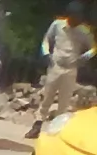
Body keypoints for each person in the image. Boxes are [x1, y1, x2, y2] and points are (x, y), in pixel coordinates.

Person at [28, 1, 94, 138]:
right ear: (69, 16)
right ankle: (37, 126)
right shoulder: (57, 25)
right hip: (55, 65)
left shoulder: (84, 31)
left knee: (64, 102)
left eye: (79, 17)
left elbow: (93, 48)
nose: (77, 19)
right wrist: (46, 54)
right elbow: (46, 40)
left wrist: (85, 57)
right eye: (74, 16)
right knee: (47, 97)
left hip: (71, 68)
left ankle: (57, 132)